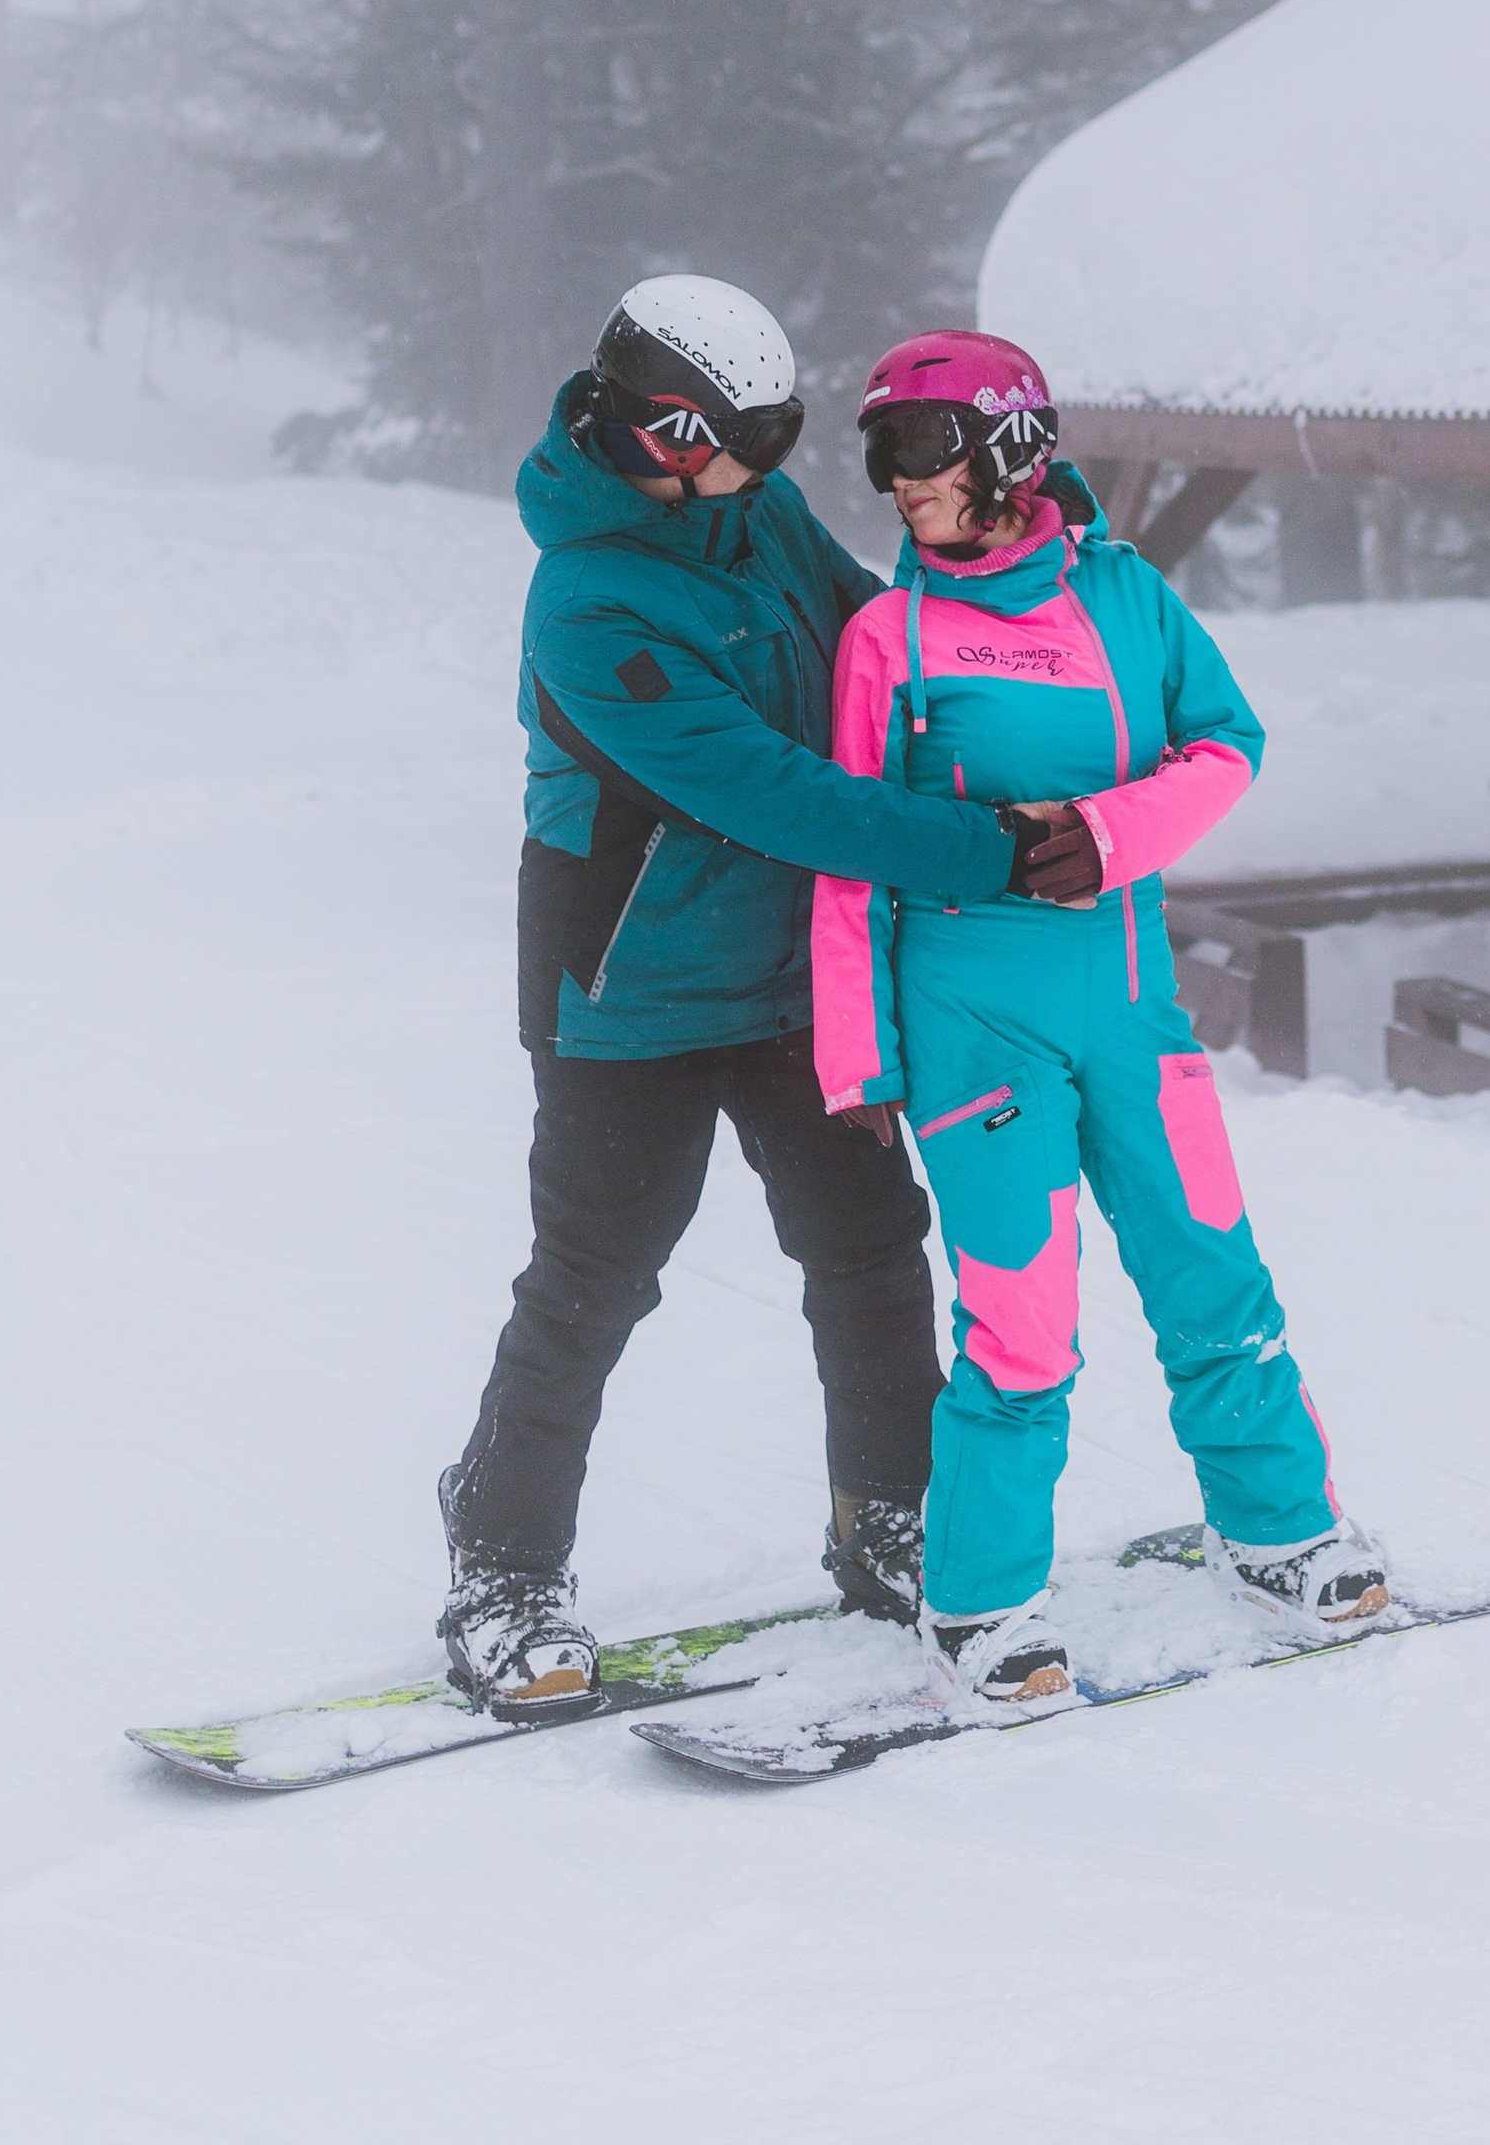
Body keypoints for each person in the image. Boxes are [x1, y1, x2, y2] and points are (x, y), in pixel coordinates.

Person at [437, 275, 1088, 1716]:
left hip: (795, 979)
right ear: (663, 430)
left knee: (866, 1248)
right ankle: (501, 1566)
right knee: (597, 1281)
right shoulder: (588, 600)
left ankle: (888, 1518)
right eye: (748, 438)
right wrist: (993, 852)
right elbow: (774, 793)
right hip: (631, 997)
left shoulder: (757, 517)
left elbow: (877, 650)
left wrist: (1025, 600)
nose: (773, 470)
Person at [810, 328, 1388, 1715]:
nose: (898, 484)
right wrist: (858, 1051)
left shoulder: (1127, 600)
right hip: (970, 1023)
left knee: (1212, 1279)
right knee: (1022, 1326)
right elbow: (846, 851)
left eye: (921, 451)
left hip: (1133, 1003)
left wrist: (1114, 832)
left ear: (1010, 450)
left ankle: (1279, 1533)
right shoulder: (888, 640)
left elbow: (1227, 741)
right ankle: (985, 1605)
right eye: (882, 457)